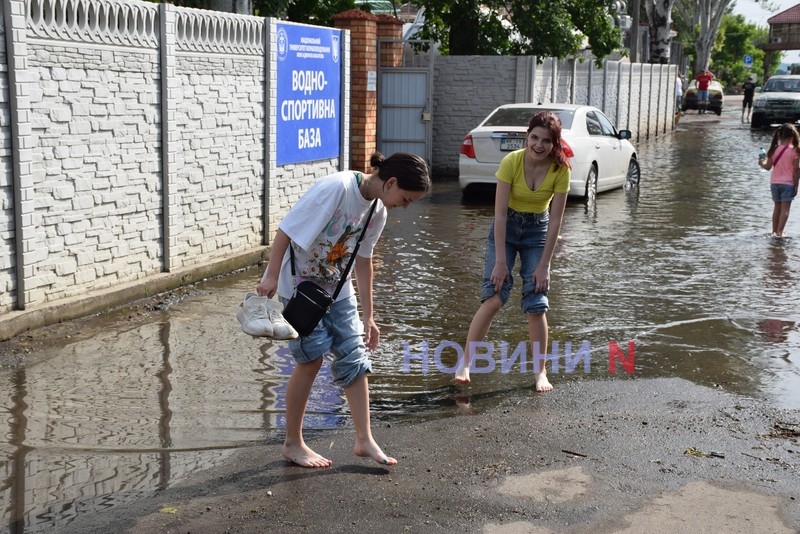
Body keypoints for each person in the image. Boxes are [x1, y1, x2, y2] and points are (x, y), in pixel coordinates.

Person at [255, 152, 431, 468]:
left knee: (355, 354)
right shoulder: (337, 188)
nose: (404, 207)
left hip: (337, 289)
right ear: (390, 182)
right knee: (311, 359)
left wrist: (370, 316)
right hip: (299, 289)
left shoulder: (377, 211)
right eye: (406, 199)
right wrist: (269, 274)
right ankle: (292, 443)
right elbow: (288, 230)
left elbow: (363, 261)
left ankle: (364, 439)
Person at [455, 111, 570, 391]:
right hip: (505, 229)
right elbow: (500, 215)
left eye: (546, 140)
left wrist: (545, 265)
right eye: (534, 138)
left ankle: (540, 373)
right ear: (526, 137)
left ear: (555, 143)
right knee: (494, 297)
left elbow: (555, 221)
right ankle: (465, 363)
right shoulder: (511, 162)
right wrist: (501, 263)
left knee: (536, 302)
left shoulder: (561, 170)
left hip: (537, 232)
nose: (539, 145)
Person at [758, 123, 800, 237]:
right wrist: (796, 186)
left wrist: (761, 162)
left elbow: (767, 167)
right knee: (785, 209)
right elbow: (796, 170)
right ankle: (780, 232)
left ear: (780, 136)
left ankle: (774, 231)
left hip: (774, 183)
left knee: (777, 208)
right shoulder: (795, 151)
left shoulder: (774, 149)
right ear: (792, 136)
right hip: (788, 184)